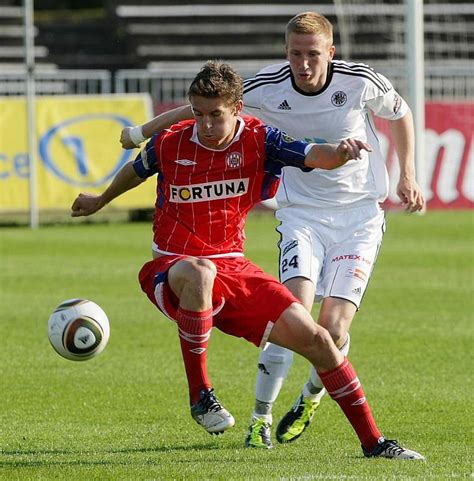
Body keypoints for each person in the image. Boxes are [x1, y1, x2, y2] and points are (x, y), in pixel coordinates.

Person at [75, 60, 425, 460]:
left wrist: (341, 153)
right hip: (172, 267)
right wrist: (100, 199)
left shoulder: (262, 140)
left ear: (237, 108)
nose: (205, 125)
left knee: (320, 340)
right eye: (198, 114)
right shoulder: (170, 142)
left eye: (215, 115)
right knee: (200, 271)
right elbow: (135, 172)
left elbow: (315, 155)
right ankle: (201, 395)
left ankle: (374, 443)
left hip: (235, 268)